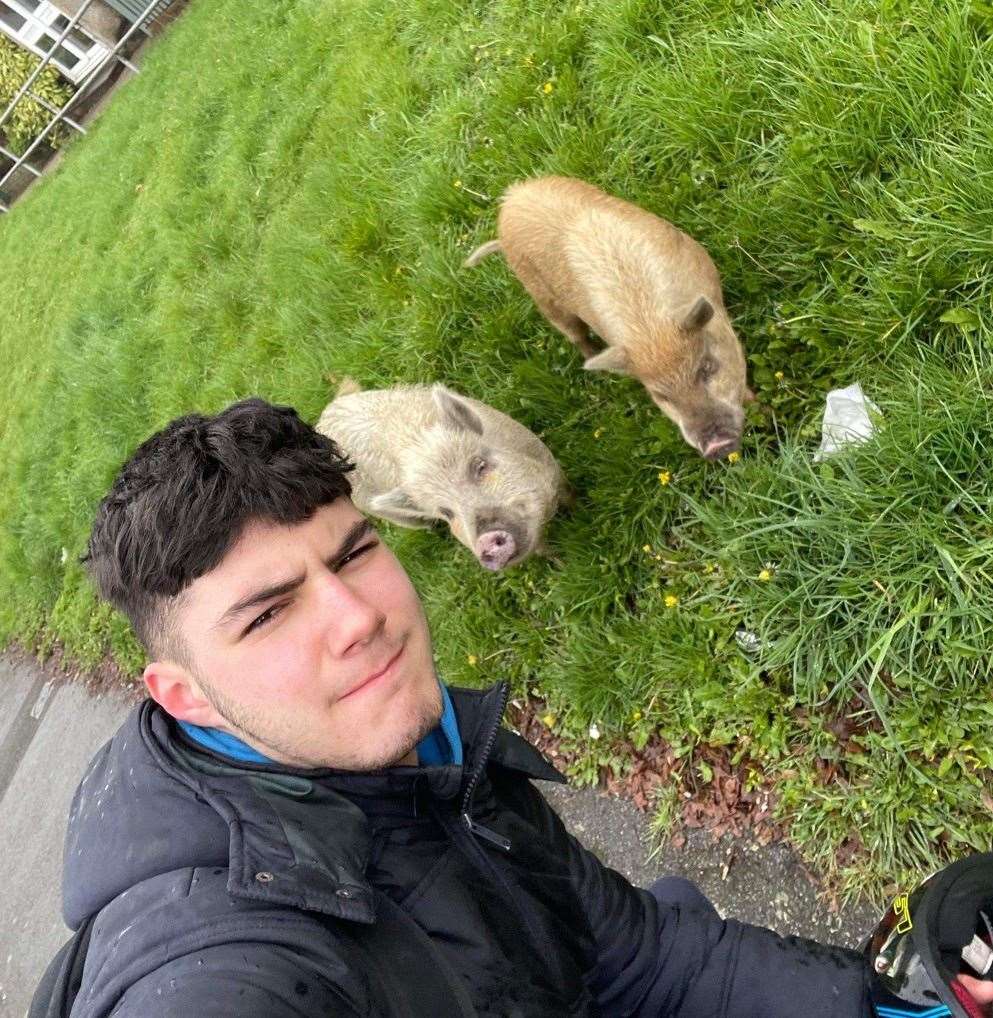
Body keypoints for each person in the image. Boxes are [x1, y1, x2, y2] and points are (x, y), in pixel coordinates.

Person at [52, 397, 879, 1017]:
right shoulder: (215, 959)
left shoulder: (428, 745)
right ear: (184, 697)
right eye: (268, 614)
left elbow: (635, 957)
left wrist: (900, 997)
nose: (359, 619)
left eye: (356, 554)